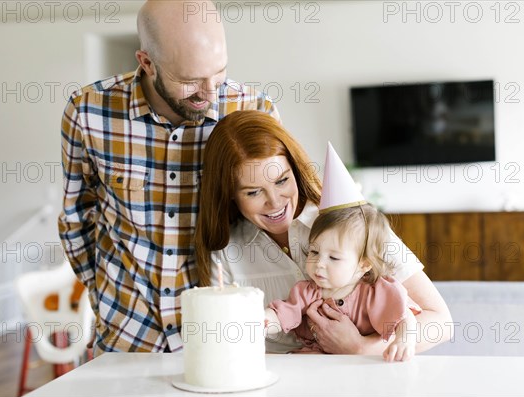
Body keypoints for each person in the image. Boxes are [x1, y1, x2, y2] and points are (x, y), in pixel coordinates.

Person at [58, 0, 278, 355]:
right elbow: (76, 218)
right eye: (190, 81)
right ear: (146, 63)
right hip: (126, 333)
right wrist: (101, 292)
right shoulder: (88, 112)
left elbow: (278, 221)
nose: (210, 93)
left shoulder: (254, 110)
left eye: (219, 73)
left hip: (223, 334)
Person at [195, 110, 453, 355]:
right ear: (229, 193)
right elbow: (232, 346)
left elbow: (440, 322)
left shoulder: (355, 228)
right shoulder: (226, 253)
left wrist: (360, 348)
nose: (274, 202)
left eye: (282, 180)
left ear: (294, 171)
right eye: (253, 192)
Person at [265, 204, 420, 362]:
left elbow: (405, 318)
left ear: (364, 264)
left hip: (363, 364)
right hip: (319, 359)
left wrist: (404, 341)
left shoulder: (375, 291)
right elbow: (282, 314)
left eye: (334, 258)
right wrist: (262, 321)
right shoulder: (307, 291)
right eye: (314, 252)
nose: (319, 263)